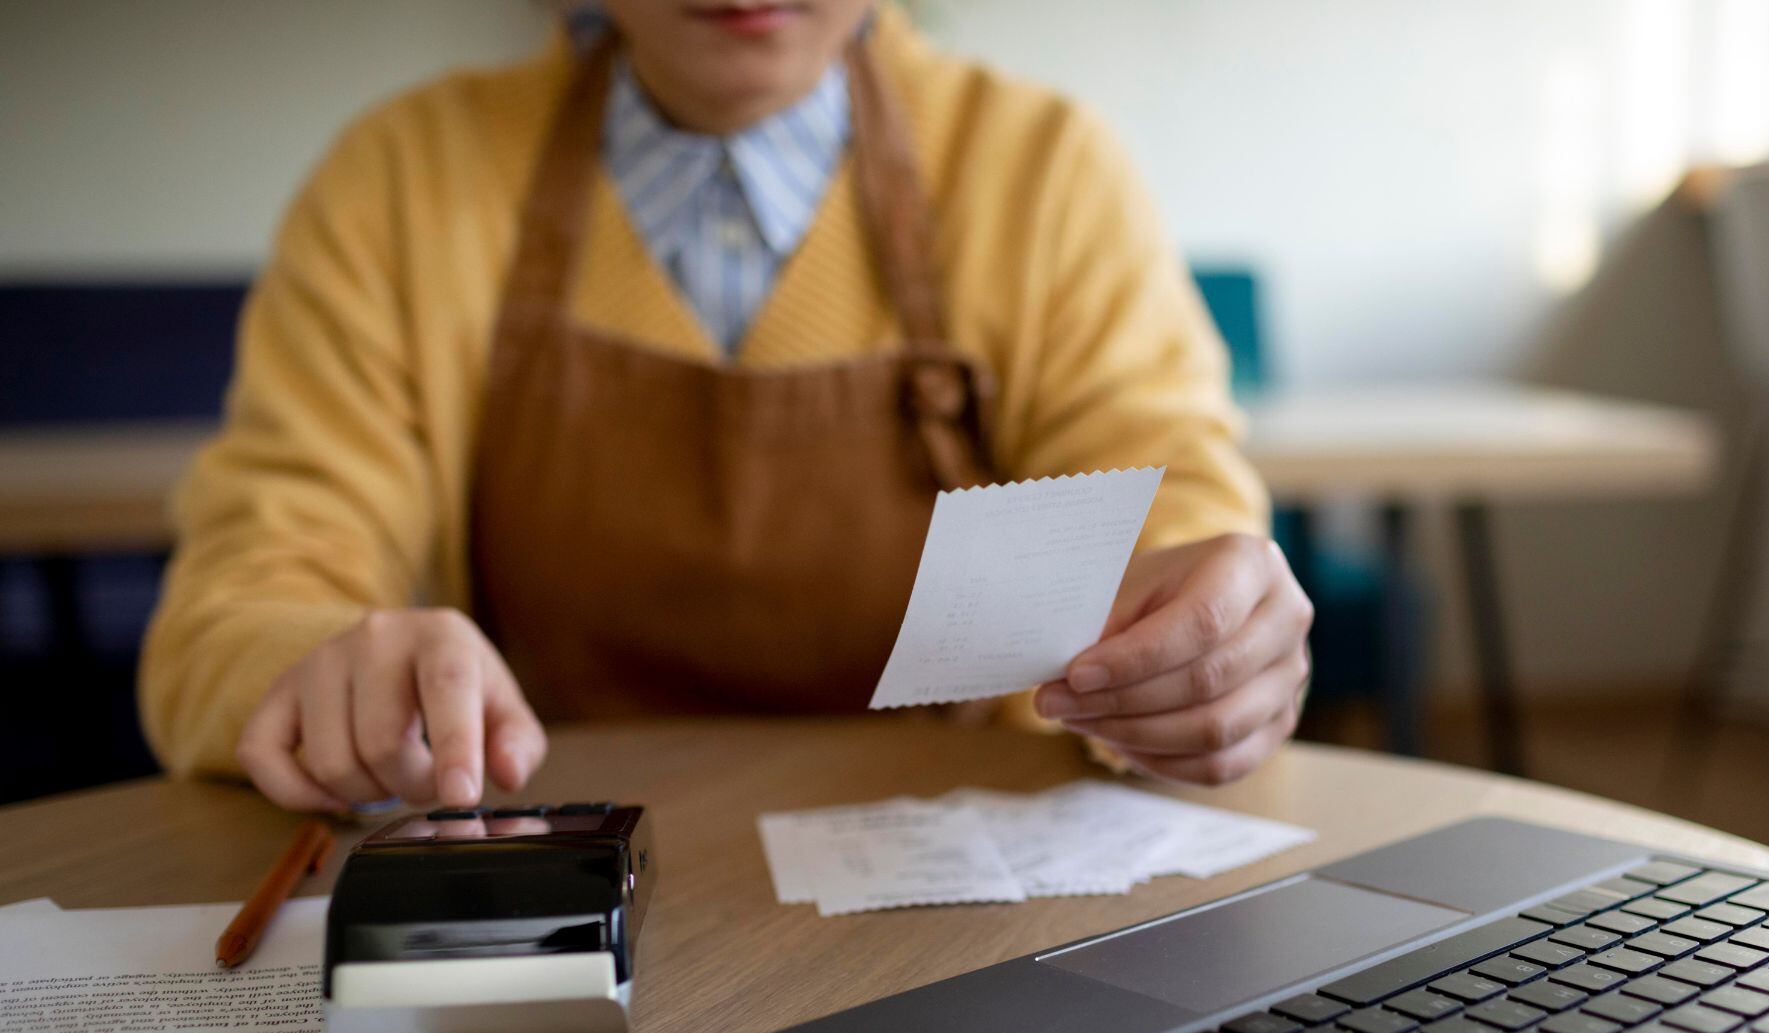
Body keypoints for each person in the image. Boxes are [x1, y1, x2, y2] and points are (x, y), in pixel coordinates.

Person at [138, 1, 1313, 813]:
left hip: (976, 881)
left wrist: (1200, 636)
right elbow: (240, 601)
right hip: (550, 878)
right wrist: (319, 667)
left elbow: (1166, 508)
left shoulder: (1045, 168)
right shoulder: (397, 183)